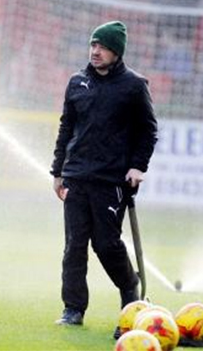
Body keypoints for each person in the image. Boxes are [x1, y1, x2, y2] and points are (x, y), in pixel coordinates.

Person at [50, 21, 158, 327]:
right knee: (74, 245)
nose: (96, 51)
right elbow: (66, 128)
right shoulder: (76, 82)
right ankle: (73, 309)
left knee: (106, 244)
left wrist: (138, 166)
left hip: (111, 181)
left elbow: (148, 131)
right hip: (75, 177)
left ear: (117, 52)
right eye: (93, 45)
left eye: (103, 47)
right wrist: (57, 171)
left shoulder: (135, 86)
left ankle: (129, 288)